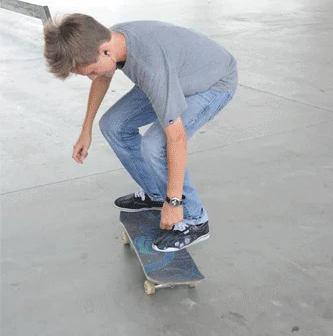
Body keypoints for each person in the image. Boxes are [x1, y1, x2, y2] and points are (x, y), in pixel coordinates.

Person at [44, 15, 238, 252]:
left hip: (212, 82)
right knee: (113, 125)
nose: (91, 77)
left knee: (154, 145)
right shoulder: (110, 39)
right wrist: (86, 129)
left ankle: (195, 220)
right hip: (177, 75)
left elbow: (176, 138)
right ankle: (156, 194)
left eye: (91, 71)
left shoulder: (151, 67)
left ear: (104, 51)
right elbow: (103, 77)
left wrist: (174, 201)